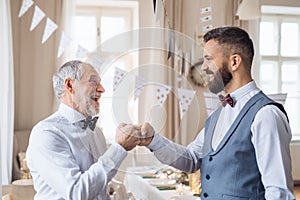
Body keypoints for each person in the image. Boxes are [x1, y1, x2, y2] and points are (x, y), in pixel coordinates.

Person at [138, 26, 295, 199]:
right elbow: (191, 159)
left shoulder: (266, 115)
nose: (203, 67)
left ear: (234, 62)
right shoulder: (218, 114)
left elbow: (279, 192)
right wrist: (152, 140)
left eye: (209, 59)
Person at [26, 60, 142, 200]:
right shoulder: (46, 133)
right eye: (93, 81)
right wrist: (119, 148)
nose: (102, 89)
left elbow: (99, 189)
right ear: (70, 85)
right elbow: (77, 192)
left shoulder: (97, 132)